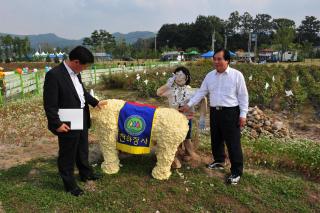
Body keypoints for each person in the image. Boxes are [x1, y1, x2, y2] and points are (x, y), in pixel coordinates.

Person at [43, 46, 107, 196]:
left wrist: (94, 102)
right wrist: (56, 123)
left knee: (82, 148)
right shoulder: (54, 75)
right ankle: (70, 184)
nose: (85, 69)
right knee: (68, 153)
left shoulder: (75, 73)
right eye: (85, 66)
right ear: (76, 62)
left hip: (81, 115)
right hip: (67, 118)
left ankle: (86, 173)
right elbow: (49, 103)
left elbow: (81, 92)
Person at [180, 49, 249, 185]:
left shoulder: (236, 75)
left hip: (230, 112)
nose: (216, 62)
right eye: (214, 59)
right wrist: (188, 105)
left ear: (227, 60)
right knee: (216, 138)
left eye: (219, 59)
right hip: (215, 111)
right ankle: (219, 160)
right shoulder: (210, 76)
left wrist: (243, 114)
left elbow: (243, 96)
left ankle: (236, 172)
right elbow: (201, 92)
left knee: (233, 142)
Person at [157, 66, 207, 168]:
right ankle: (173, 156)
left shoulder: (190, 90)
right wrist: (167, 85)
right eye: (176, 75)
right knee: (173, 138)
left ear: (187, 77)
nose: (179, 77)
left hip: (186, 119)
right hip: (173, 119)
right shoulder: (170, 89)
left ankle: (189, 153)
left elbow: (203, 99)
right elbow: (158, 92)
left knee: (187, 138)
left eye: (181, 75)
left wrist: (202, 118)